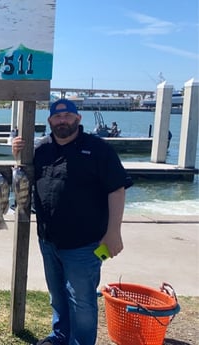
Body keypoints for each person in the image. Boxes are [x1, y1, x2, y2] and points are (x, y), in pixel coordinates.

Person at [12, 99, 132, 345]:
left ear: (78, 119)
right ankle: (60, 336)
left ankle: (81, 342)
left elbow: (117, 189)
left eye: (68, 116)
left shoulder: (99, 149)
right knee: (57, 296)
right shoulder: (40, 148)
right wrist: (17, 154)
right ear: (50, 121)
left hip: (85, 245)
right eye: (57, 117)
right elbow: (22, 177)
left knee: (83, 301)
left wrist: (114, 233)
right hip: (48, 240)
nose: (62, 120)